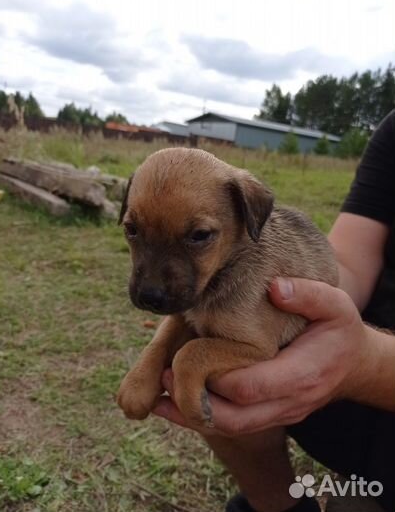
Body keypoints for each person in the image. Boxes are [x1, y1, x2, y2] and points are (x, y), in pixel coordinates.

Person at [153, 110, 395, 512]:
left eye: (198, 236)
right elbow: (348, 265)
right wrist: (284, 298)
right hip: (352, 365)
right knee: (217, 353)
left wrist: (367, 362)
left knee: (355, 504)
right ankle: (277, 503)